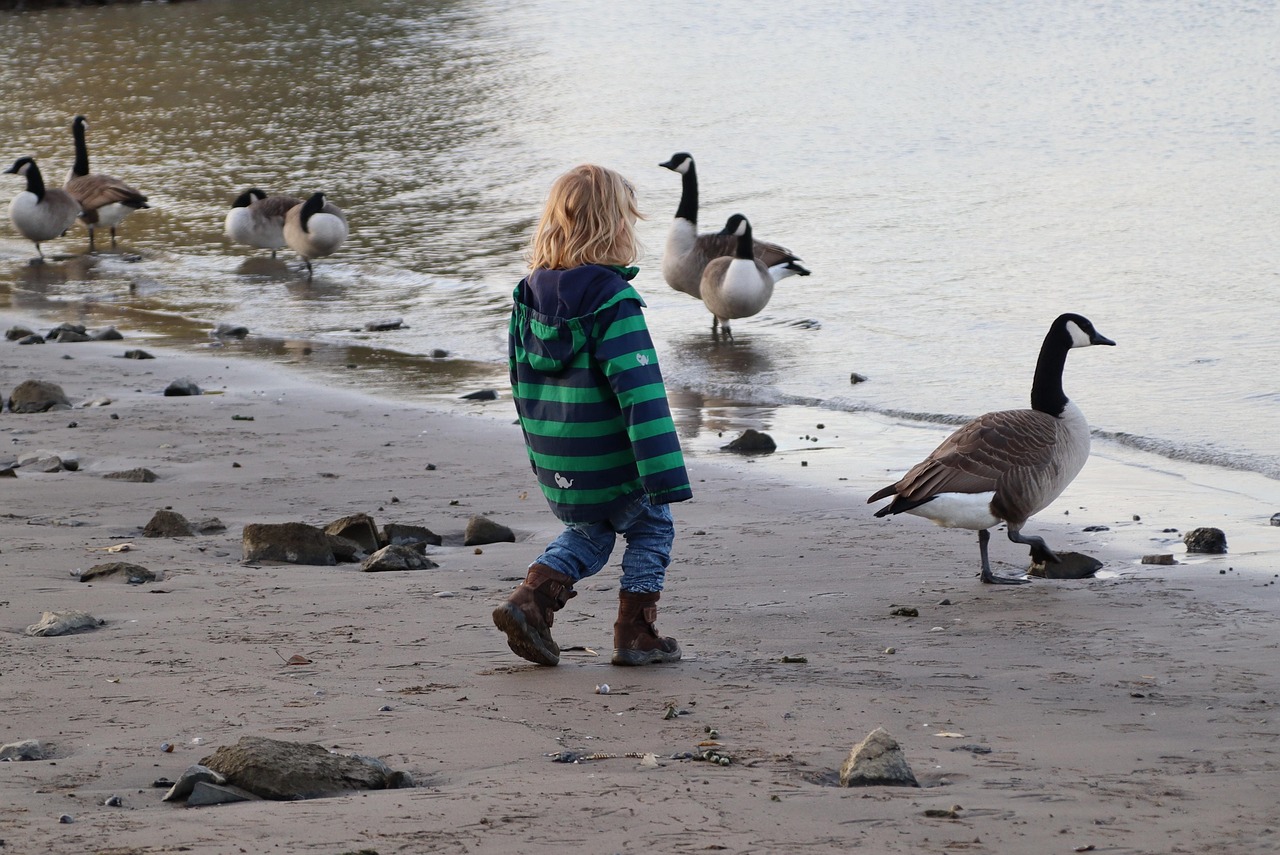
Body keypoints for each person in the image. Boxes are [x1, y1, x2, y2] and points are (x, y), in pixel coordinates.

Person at [493, 164, 693, 668]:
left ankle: (531, 599)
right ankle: (636, 631)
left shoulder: (526, 299)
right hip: (614, 458)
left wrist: (543, 458)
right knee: (652, 526)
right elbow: (640, 391)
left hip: (563, 455)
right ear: (616, 227)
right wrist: (663, 474)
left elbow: (519, 383)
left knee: (590, 531)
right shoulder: (614, 302)